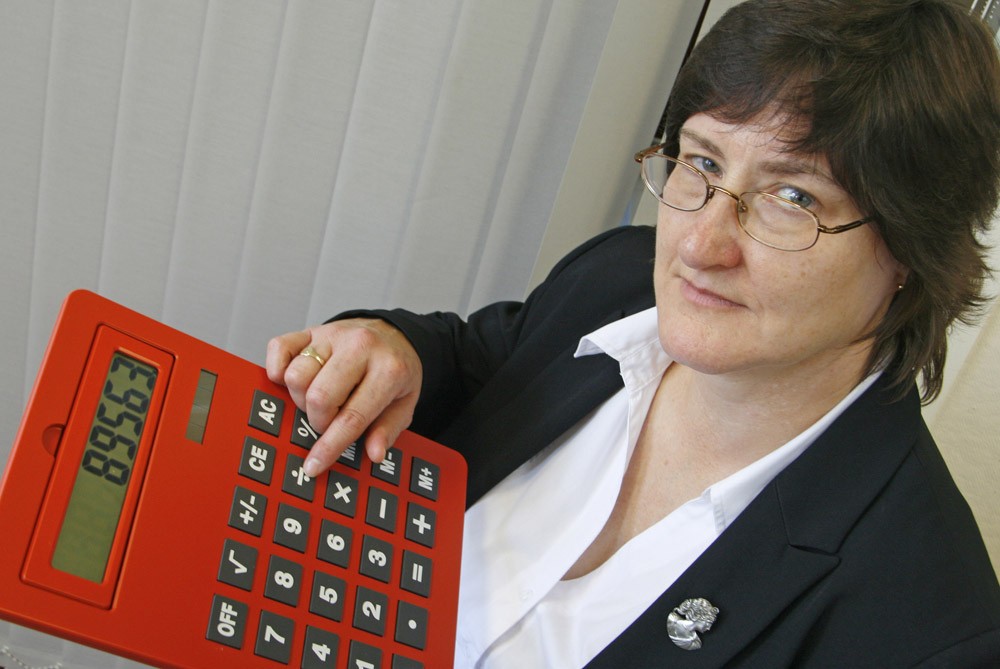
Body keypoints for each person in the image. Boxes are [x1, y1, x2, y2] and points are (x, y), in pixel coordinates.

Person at [267, 0, 1000, 665]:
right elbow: (477, 360)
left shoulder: (929, 626)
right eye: (703, 161)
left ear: (912, 248)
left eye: (791, 195)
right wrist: (394, 349)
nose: (700, 244)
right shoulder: (614, 280)